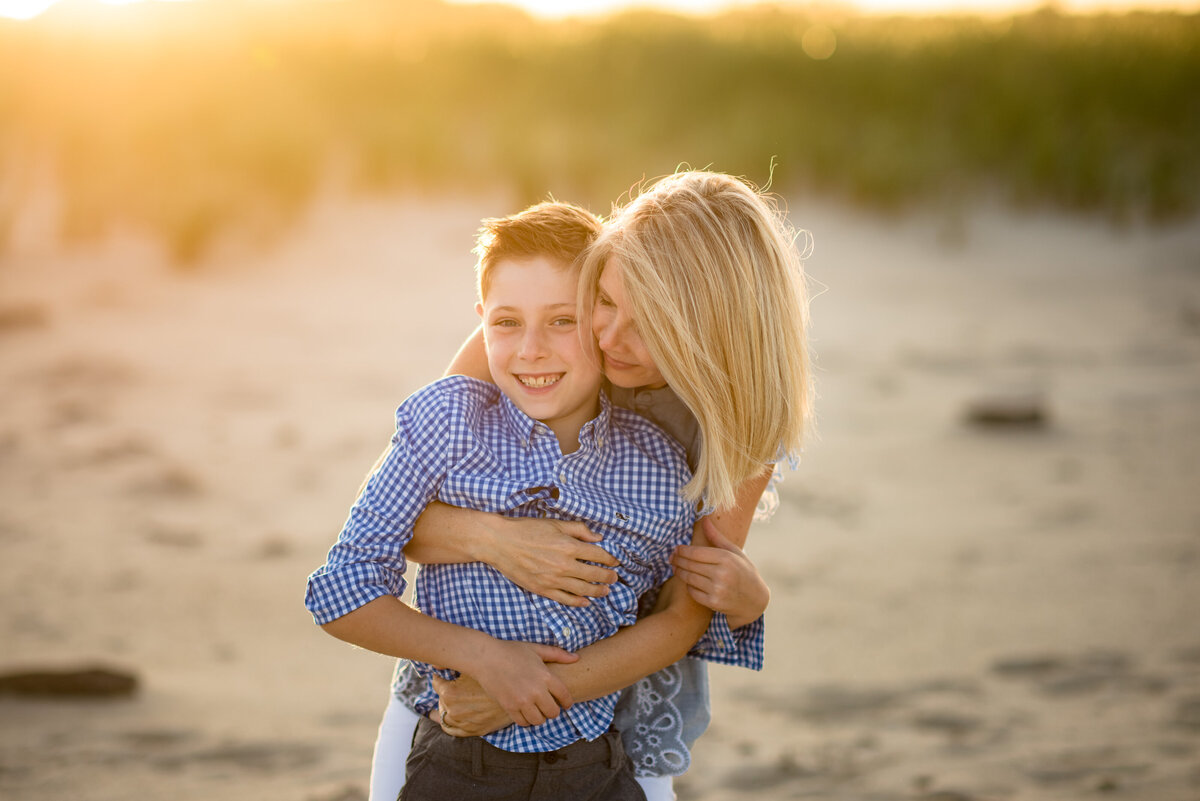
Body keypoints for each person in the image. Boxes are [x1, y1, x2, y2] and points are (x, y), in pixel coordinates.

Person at [374, 170, 814, 801]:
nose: (606, 338)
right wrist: (499, 541)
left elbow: (678, 614)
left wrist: (743, 600)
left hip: (617, 704)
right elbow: (406, 515)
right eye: (605, 302)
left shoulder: (746, 415)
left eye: (648, 325)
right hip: (461, 690)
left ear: (710, 333)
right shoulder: (539, 327)